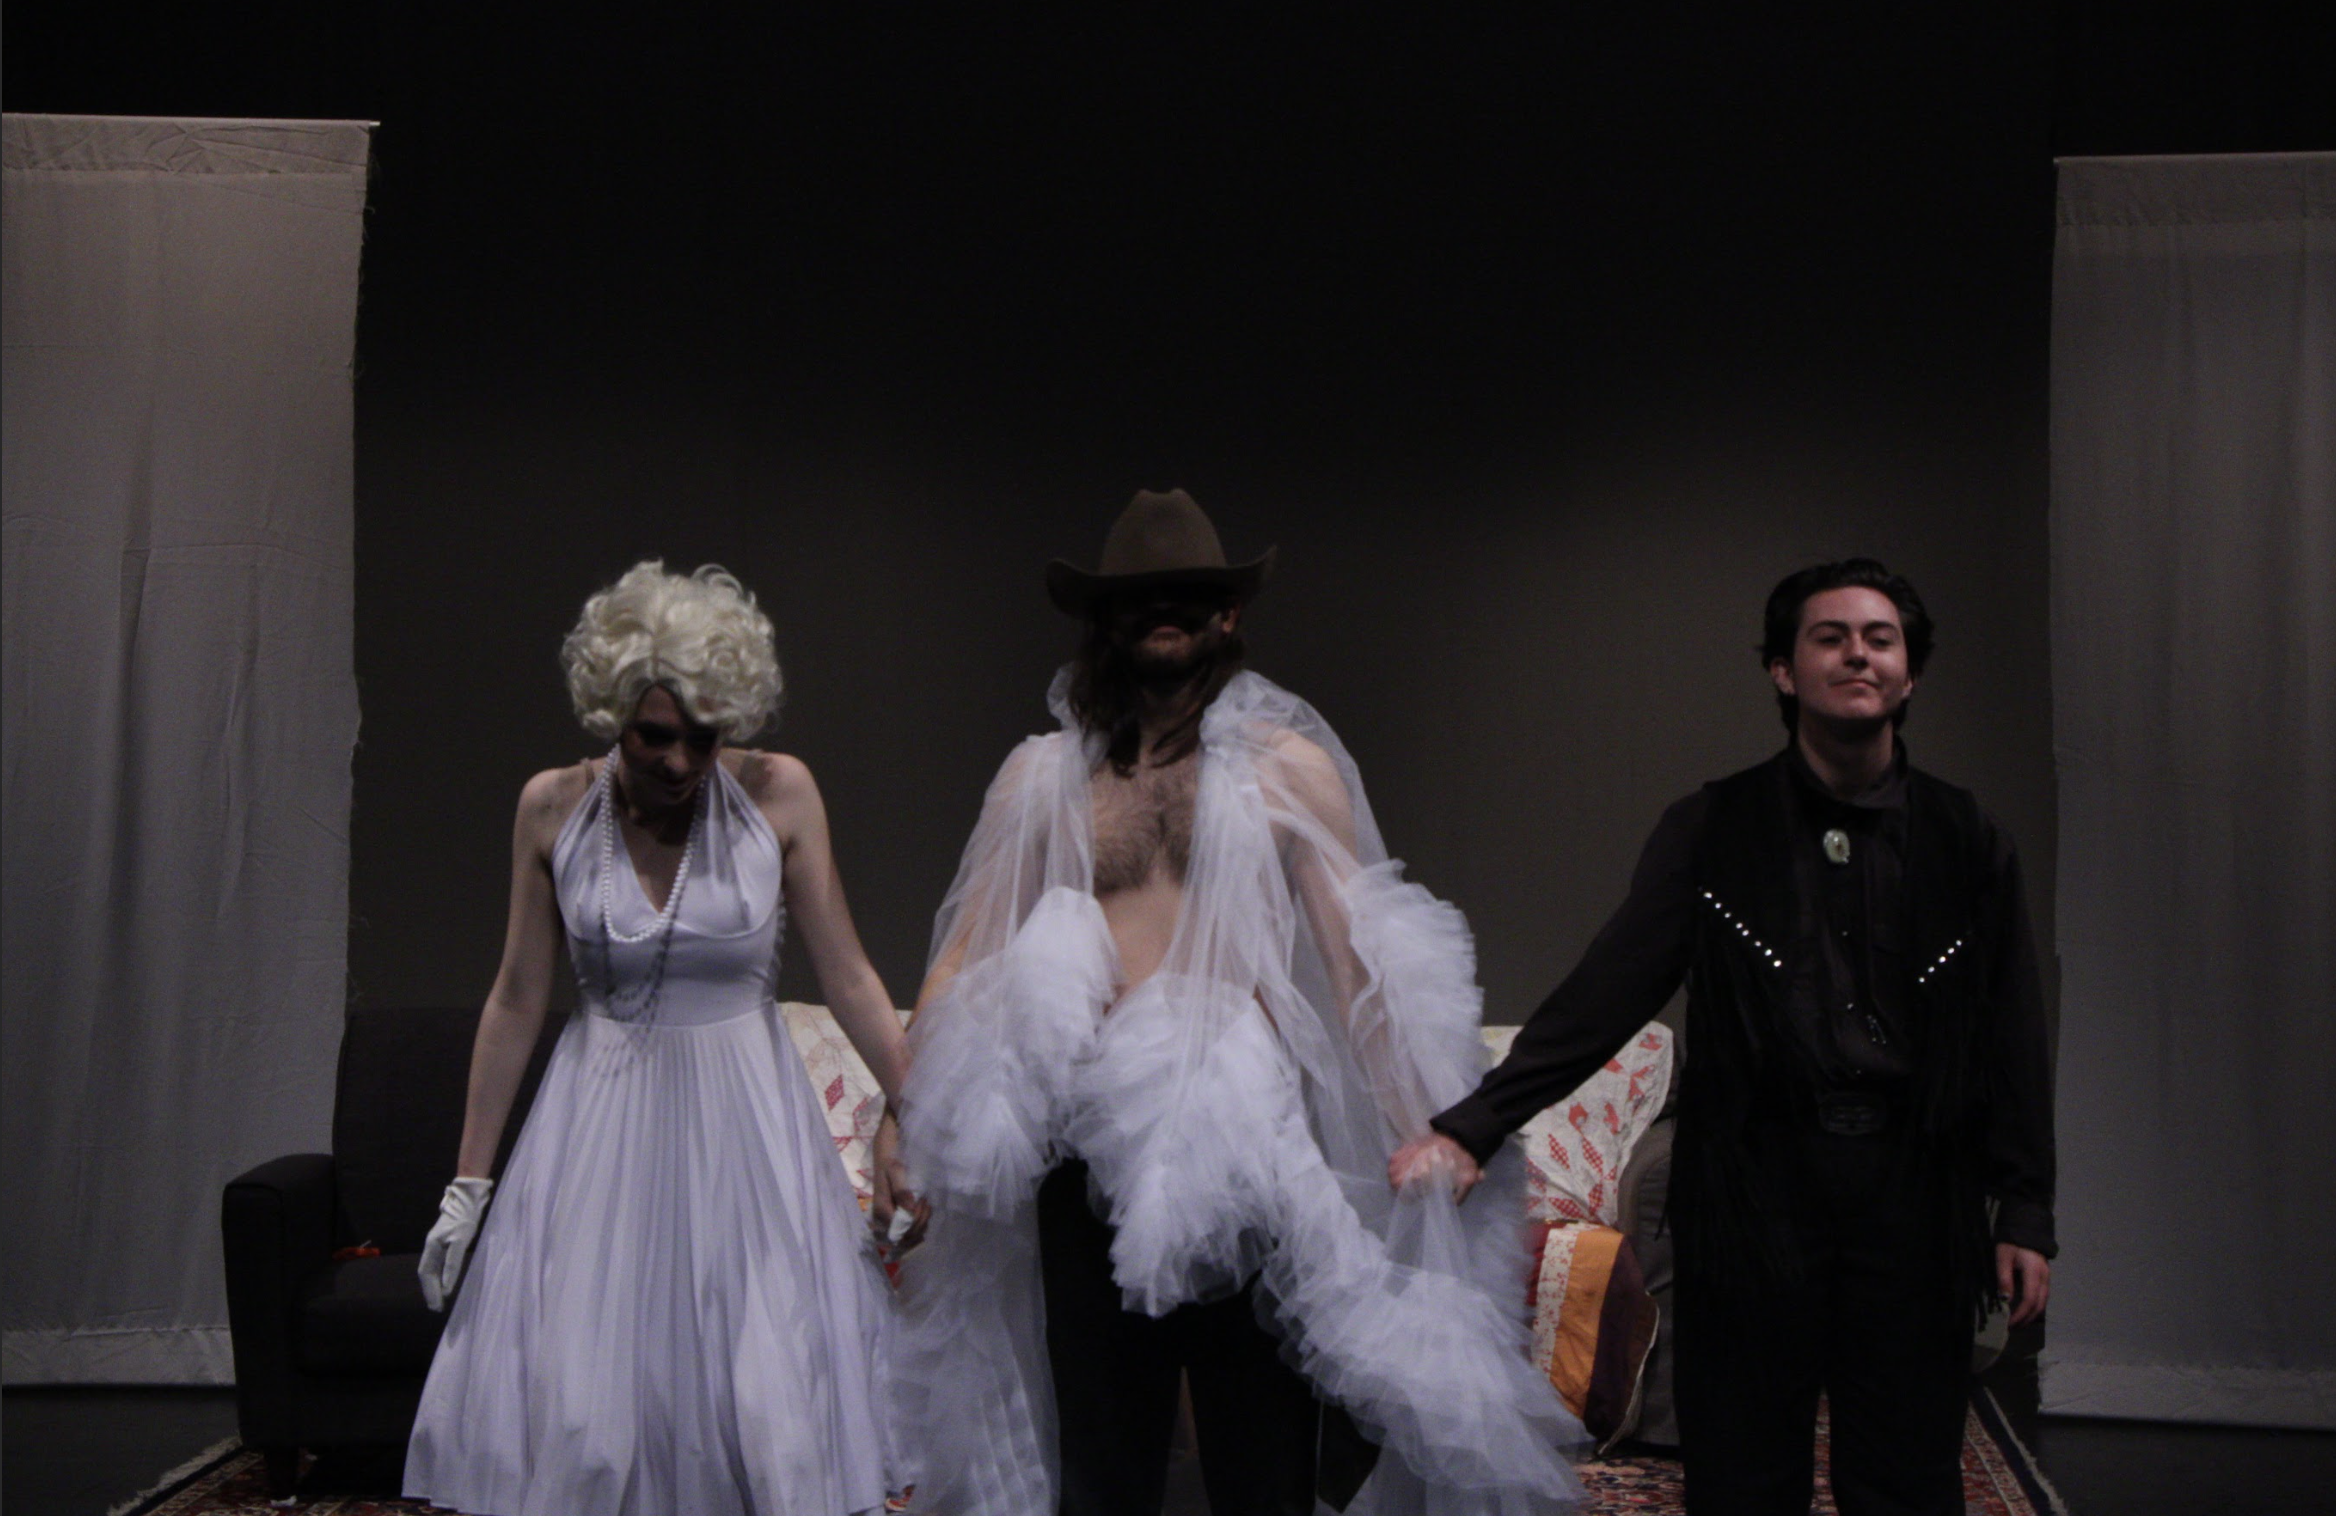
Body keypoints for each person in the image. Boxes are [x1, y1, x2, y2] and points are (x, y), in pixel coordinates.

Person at [889, 490, 1583, 1516]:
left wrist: (1432, 1124)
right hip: (1083, 1155)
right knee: (1102, 1466)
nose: (1162, 610)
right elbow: (965, 954)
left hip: (1249, 1147)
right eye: (1139, 595)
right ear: (1103, 618)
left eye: (1188, 592)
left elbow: (1358, 964)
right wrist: (904, 1113)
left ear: (1229, 614)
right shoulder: (1042, 779)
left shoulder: (1284, 769)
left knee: (1261, 1464)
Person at [1391, 559, 2056, 1516]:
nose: (1858, 655)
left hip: (1916, 1196)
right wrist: (1473, 1126)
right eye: (1830, 637)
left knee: (1909, 1482)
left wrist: (2024, 1208)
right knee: (1741, 1476)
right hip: (1753, 1193)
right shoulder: (1712, 827)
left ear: (1909, 674)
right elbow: (1607, 991)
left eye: (1881, 640)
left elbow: (2011, 1028)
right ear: (1784, 670)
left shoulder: (1968, 837)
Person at [403, 562, 917, 1516]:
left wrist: (918, 1110)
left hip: (746, 1134)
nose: (680, 763)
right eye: (654, 736)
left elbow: (847, 971)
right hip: (598, 1131)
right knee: (591, 1406)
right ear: (611, 714)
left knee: (763, 1392)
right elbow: (517, 996)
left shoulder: (779, 794)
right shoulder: (553, 806)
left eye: (703, 738)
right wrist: (468, 1186)